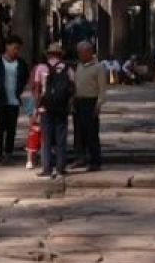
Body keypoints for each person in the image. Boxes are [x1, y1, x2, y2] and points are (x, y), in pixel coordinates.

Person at [0, 34, 29, 163]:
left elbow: (25, 77)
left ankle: (9, 153)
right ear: (7, 47)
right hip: (0, 100)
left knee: (11, 129)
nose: (16, 51)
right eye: (15, 48)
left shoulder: (21, 63)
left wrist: (20, 88)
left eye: (18, 49)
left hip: (14, 101)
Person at [33, 41, 75, 179]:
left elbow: (37, 88)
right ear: (60, 55)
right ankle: (61, 168)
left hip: (46, 107)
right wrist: (69, 104)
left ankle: (47, 168)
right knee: (61, 138)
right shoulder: (67, 68)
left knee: (46, 139)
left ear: (48, 54)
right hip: (62, 107)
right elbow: (72, 88)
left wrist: (37, 106)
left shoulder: (40, 67)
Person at [72, 41, 108, 171]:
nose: (79, 55)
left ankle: (95, 161)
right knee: (78, 132)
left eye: (81, 53)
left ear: (88, 52)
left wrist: (98, 105)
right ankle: (80, 158)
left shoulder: (98, 67)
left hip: (91, 102)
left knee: (91, 133)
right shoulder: (78, 66)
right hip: (78, 101)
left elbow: (102, 89)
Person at [23, 94, 42, 170]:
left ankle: (34, 160)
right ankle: (30, 161)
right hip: (35, 126)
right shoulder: (34, 99)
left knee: (40, 143)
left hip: (42, 125)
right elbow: (31, 117)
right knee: (32, 144)